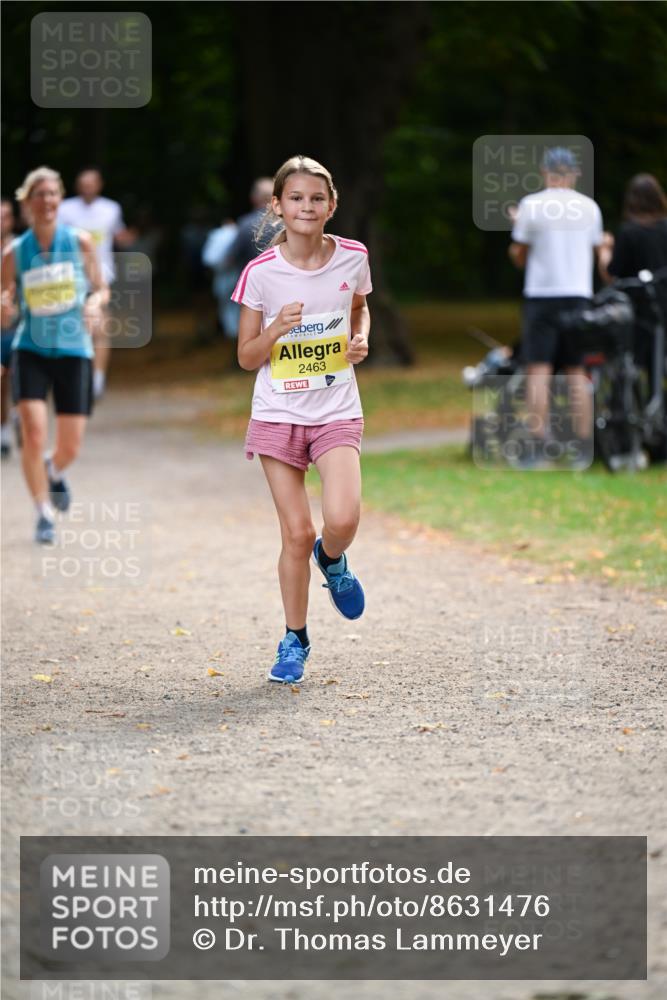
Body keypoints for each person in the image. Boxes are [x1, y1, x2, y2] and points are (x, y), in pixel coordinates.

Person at [232, 155, 372, 685]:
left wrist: (361, 339)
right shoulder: (261, 273)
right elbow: (247, 356)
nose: (306, 207)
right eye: (295, 198)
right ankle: (295, 639)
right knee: (295, 532)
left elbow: (360, 308)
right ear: (277, 206)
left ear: (331, 206)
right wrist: (275, 331)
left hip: (336, 407)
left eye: (317, 198)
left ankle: (332, 560)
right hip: (278, 413)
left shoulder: (353, 257)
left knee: (342, 521)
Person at [1, 166, 109, 544]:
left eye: (52, 194)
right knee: (32, 432)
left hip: (74, 350)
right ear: (28, 202)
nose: (46, 200)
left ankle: (53, 468)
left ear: (59, 199)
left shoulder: (80, 242)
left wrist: (94, 304)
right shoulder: (14, 252)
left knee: (70, 446)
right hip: (30, 349)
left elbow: (101, 288)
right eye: (39, 194)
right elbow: (5, 296)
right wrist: (4, 306)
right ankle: (43, 512)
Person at [509, 147, 605, 462]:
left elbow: (520, 255)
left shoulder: (531, 206)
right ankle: (581, 445)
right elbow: (594, 252)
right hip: (578, 293)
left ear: (545, 172)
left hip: (541, 294)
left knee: (539, 369)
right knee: (577, 371)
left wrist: (517, 232)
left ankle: (539, 442)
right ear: (575, 173)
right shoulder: (590, 208)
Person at [58, 168, 126, 399]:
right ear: (77, 186)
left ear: (99, 185)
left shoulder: (111, 208)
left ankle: (97, 378)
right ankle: (75, 376)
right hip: (71, 278)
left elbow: (119, 235)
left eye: (91, 183)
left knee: (101, 328)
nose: (87, 188)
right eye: (83, 183)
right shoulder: (65, 209)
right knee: (73, 329)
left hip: (102, 277)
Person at [201, 217, 240, 339]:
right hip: (238, 274)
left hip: (222, 276)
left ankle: (232, 335)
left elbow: (208, 259)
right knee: (238, 307)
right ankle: (237, 335)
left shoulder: (216, 234)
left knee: (226, 307)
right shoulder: (239, 232)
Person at [226, 177, 275, 271]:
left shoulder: (245, 223)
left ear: (253, 198)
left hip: (251, 282)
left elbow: (231, 258)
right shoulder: (286, 223)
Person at [1, 198, 18, 457]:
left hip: (19, 325)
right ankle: (4, 430)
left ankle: (18, 419)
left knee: (19, 379)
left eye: (4, 216)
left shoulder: (21, 247)